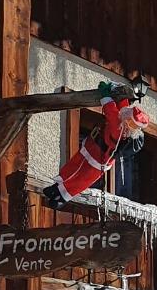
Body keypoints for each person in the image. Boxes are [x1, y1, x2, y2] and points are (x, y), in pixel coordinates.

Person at [43, 79, 150, 207]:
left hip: (99, 158)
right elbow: (122, 110)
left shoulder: (119, 127)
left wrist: (106, 95)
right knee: (76, 169)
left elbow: (111, 111)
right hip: (94, 149)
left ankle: (61, 196)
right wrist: (122, 97)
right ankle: (57, 187)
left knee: (81, 178)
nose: (126, 112)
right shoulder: (124, 125)